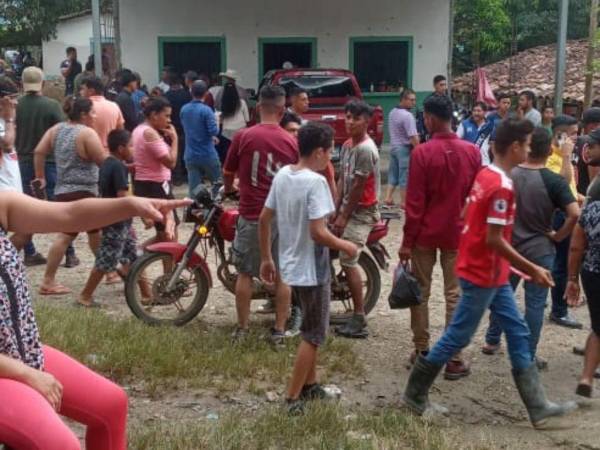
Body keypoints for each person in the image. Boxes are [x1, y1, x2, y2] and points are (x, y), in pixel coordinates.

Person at [401, 118, 577, 429]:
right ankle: (414, 396)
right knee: (458, 335)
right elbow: (494, 239)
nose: (527, 149)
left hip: (490, 272)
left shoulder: (485, 175)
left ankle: (537, 406)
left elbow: (466, 215)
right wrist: (531, 267)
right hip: (482, 273)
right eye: (525, 144)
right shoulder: (501, 187)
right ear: (514, 147)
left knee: (518, 331)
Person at [0, 190, 187, 450]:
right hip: (10, 367)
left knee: (111, 404)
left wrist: (132, 205)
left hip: (21, 353)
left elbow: (70, 214)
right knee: (60, 445)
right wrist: (27, 375)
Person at [259, 122, 357, 414]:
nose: (331, 157)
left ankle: (311, 386)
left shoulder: (283, 175)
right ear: (318, 152)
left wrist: (266, 257)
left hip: (290, 264)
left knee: (310, 328)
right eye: (329, 152)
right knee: (313, 335)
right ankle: (292, 398)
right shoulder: (315, 183)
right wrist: (346, 246)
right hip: (313, 269)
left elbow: (264, 218)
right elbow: (318, 232)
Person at [482, 127, 579, 368]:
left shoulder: (509, 175)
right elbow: (574, 213)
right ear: (549, 150)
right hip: (540, 249)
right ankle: (528, 354)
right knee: (535, 304)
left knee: (503, 294)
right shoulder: (553, 180)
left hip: (509, 247)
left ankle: (492, 340)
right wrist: (558, 236)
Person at [399, 94, 480, 380]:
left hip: (424, 235)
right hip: (458, 235)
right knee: (455, 296)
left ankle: (422, 352)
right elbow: (476, 196)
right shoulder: (472, 152)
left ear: (430, 119)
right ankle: (454, 358)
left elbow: (415, 203)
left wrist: (406, 242)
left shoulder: (422, 153)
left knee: (420, 291)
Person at [223, 85, 298, 343]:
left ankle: (242, 329)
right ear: (282, 109)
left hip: (252, 213)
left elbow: (227, 172)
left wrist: (228, 189)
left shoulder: (243, 137)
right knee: (283, 274)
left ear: (257, 108)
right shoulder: (290, 140)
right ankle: (279, 329)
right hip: (283, 217)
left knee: (245, 272)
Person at [33, 97, 107, 295]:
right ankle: (48, 281)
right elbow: (102, 161)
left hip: (62, 189)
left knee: (94, 232)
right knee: (66, 236)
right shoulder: (86, 133)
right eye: (92, 112)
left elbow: (39, 151)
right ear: (83, 114)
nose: (95, 115)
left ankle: (106, 270)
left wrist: (40, 177)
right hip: (84, 191)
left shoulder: (56, 130)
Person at [15, 67, 79, 267]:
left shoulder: (15, 105)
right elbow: (63, 132)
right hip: (50, 163)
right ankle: (69, 253)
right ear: (43, 84)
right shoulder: (52, 106)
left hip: (23, 162)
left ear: (22, 84)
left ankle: (30, 251)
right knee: (58, 207)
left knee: (25, 209)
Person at [79, 129, 146, 307]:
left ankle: (147, 294)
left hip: (118, 221)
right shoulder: (119, 167)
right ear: (121, 148)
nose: (133, 149)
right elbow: (122, 197)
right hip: (117, 221)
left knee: (135, 257)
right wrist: (140, 211)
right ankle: (85, 296)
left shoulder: (107, 163)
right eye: (131, 146)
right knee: (105, 260)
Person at [332, 100, 380, 339]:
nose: (350, 122)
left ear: (367, 122)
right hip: (348, 208)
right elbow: (343, 179)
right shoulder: (347, 145)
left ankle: (359, 316)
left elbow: (360, 187)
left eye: (356, 118)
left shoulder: (366, 149)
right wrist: (335, 206)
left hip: (362, 212)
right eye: (348, 116)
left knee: (348, 260)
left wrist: (343, 215)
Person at [566, 128, 600, 399]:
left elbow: (577, 245)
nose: (586, 151)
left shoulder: (590, 208)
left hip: (592, 271)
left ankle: (587, 377)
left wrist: (572, 279)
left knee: (598, 326)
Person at [546, 114, 582, 329]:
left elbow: (571, 190)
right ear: (560, 135)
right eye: (573, 134)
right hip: (559, 217)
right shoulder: (552, 158)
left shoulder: (561, 156)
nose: (577, 138)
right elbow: (562, 184)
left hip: (567, 214)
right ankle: (559, 311)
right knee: (560, 265)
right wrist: (567, 157)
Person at [132, 96, 180, 246]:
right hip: (156, 185)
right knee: (170, 233)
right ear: (154, 115)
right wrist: (175, 139)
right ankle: (169, 269)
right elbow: (171, 162)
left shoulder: (139, 130)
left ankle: (135, 258)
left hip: (147, 183)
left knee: (162, 234)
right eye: (166, 116)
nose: (169, 120)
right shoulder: (149, 133)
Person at [180, 80, 221, 198]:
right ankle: (215, 209)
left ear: (191, 92)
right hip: (207, 153)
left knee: (194, 188)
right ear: (206, 93)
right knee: (217, 183)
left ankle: (194, 210)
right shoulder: (207, 110)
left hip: (190, 154)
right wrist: (217, 120)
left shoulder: (184, 109)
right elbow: (214, 131)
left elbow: (191, 129)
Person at [384, 88, 419, 208]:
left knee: (393, 174)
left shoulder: (392, 112)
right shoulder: (407, 116)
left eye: (415, 100)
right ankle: (404, 202)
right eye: (411, 100)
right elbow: (413, 136)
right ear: (403, 100)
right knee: (404, 176)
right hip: (404, 149)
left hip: (393, 147)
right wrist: (419, 149)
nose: (414, 103)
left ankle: (388, 197)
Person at [80, 76, 125, 150]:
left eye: (82, 89)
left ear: (91, 91)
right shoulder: (114, 106)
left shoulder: (82, 108)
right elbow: (121, 132)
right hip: (110, 152)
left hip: (89, 152)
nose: (80, 92)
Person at [165, 73, 192, 185]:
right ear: (180, 83)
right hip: (185, 127)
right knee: (185, 151)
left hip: (171, 127)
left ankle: (176, 177)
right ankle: (186, 175)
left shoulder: (166, 96)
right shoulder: (187, 95)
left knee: (174, 151)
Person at [217, 81, 250, 164]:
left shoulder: (223, 103)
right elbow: (247, 119)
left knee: (227, 155)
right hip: (240, 131)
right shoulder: (242, 103)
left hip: (226, 132)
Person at [457, 101, 494, 166]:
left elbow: (493, 146)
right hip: (467, 163)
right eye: (474, 110)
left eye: (479, 111)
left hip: (484, 163)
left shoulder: (490, 126)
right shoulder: (464, 124)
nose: (476, 113)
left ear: (485, 112)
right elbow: (456, 142)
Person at [574, 107, 600, 196]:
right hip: (587, 198)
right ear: (594, 126)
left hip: (575, 196)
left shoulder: (576, 140)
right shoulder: (593, 145)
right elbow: (595, 182)